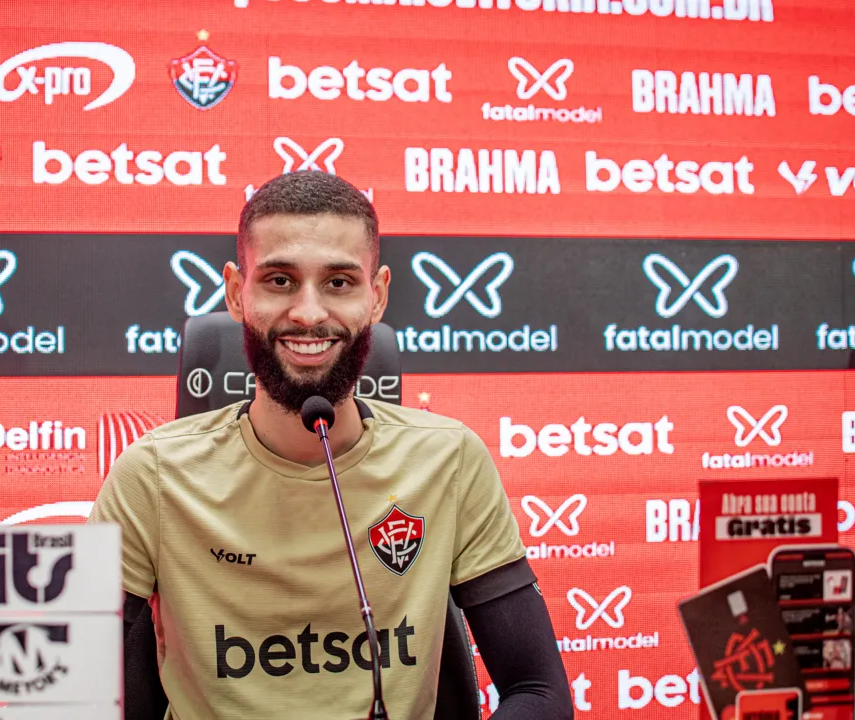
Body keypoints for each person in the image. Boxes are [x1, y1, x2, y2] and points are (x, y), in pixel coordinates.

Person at [89, 171, 574, 719]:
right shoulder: (151, 476)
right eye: (279, 281)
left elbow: (539, 692)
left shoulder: (450, 460)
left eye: (339, 282)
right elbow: (71, 693)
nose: (309, 313)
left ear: (378, 295)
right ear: (234, 292)